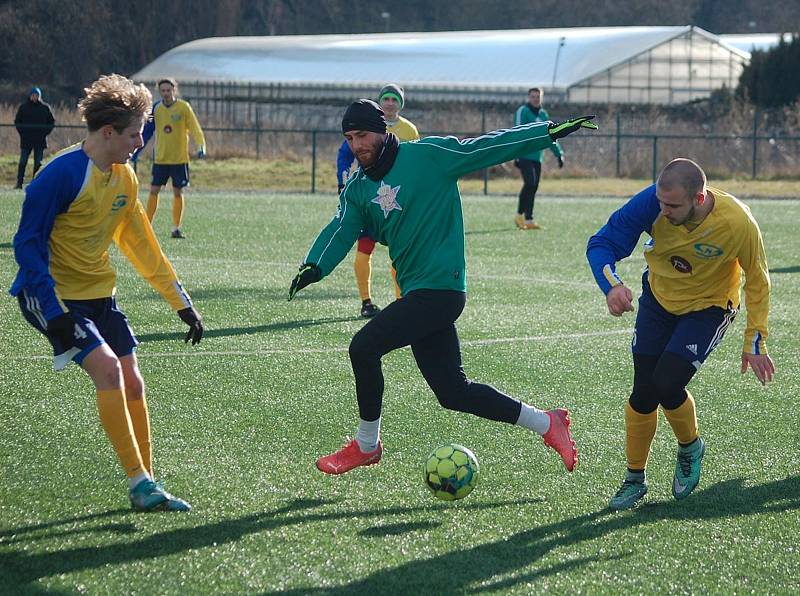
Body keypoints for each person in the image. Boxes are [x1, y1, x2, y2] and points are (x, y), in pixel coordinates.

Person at [289, 99, 597, 476]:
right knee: (453, 392)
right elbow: (340, 228)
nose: (357, 145)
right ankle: (548, 423)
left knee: (363, 348)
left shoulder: (430, 155)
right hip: (415, 293)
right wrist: (315, 264)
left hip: (441, 289)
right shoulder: (357, 187)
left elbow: (487, 146)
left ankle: (367, 445)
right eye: (350, 137)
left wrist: (544, 133)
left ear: (383, 129)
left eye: (363, 135)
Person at [10, 74, 204, 512]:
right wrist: (54, 309)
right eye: (137, 131)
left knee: (134, 381)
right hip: (52, 295)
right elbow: (27, 245)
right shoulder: (59, 175)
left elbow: (140, 244)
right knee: (109, 372)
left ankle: (149, 481)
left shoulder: (126, 178)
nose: (142, 139)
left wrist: (181, 302)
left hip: (100, 295)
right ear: (108, 132)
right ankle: (139, 484)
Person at [586, 158, 775, 511]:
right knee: (643, 392)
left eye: (672, 205)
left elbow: (758, 280)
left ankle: (690, 447)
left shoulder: (738, 223)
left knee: (667, 383)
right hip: (658, 300)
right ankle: (634, 479)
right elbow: (602, 243)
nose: (663, 210)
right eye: (660, 202)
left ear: (699, 199)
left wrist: (755, 340)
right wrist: (611, 286)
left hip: (709, 307)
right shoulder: (653, 203)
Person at [336, 84, 420, 317]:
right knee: (365, 247)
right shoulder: (367, 127)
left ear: (401, 104)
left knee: (401, 250)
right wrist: (343, 182)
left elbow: (415, 162)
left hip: (399, 200)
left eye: (395, 99)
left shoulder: (409, 130)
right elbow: (344, 154)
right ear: (380, 102)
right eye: (387, 98)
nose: (390, 102)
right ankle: (366, 301)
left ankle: (401, 300)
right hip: (370, 198)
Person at [136, 78, 206, 239]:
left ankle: (176, 228)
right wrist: (137, 151)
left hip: (179, 159)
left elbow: (195, 129)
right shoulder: (156, 109)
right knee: (154, 190)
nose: (166, 93)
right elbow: (147, 131)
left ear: (174, 90)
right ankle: (148, 225)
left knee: (177, 192)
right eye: (163, 91)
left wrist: (201, 146)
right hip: (160, 158)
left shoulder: (183, 108)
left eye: (169, 90)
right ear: (159, 92)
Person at [512, 87, 564, 230]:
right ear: (528, 97)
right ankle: (519, 215)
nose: (535, 99)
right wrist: (515, 154)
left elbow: (551, 136)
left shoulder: (543, 114)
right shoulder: (523, 111)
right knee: (529, 183)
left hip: (537, 157)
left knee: (533, 186)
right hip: (524, 155)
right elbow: (516, 132)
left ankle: (529, 220)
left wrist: (558, 154)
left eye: (538, 96)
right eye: (533, 96)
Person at [14, 87, 55, 189]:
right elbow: (17, 122)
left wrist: (44, 133)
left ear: (39, 96)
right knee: (23, 162)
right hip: (26, 140)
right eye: (33, 95)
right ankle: (19, 183)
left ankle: (36, 183)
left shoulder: (45, 108)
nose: (34, 97)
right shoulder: (23, 108)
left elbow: (51, 122)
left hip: (39, 140)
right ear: (30, 96)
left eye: (36, 95)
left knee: (38, 163)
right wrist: (23, 133)